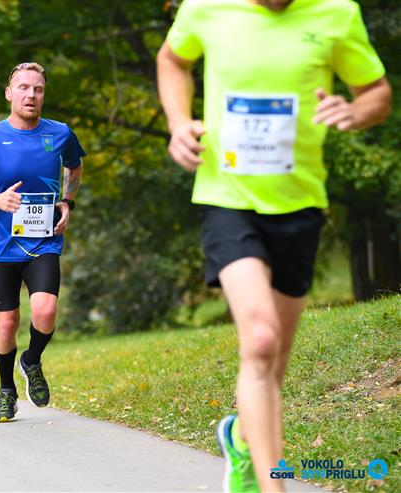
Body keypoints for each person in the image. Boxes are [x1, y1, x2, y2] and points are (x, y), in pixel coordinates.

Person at [157, 1, 391, 491]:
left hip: (299, 205)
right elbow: (173, 59)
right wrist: (178, 122)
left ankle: (241, 439)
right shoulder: (206, 8)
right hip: (227, 200)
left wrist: (355, 111)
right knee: (260, 340)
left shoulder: (336, 13)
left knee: (273, 362)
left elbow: (377, 93)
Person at [0, 62, 85, 422]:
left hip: (44, 240)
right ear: (9, 93)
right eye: (24, 88)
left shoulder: (59, 133)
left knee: (45, 311)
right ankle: (6, 391)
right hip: (2, 245)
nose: (31, 95)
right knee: (7, 322)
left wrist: (68, 200)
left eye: (38, 89)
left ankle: (31, 360)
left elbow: (74, 166)